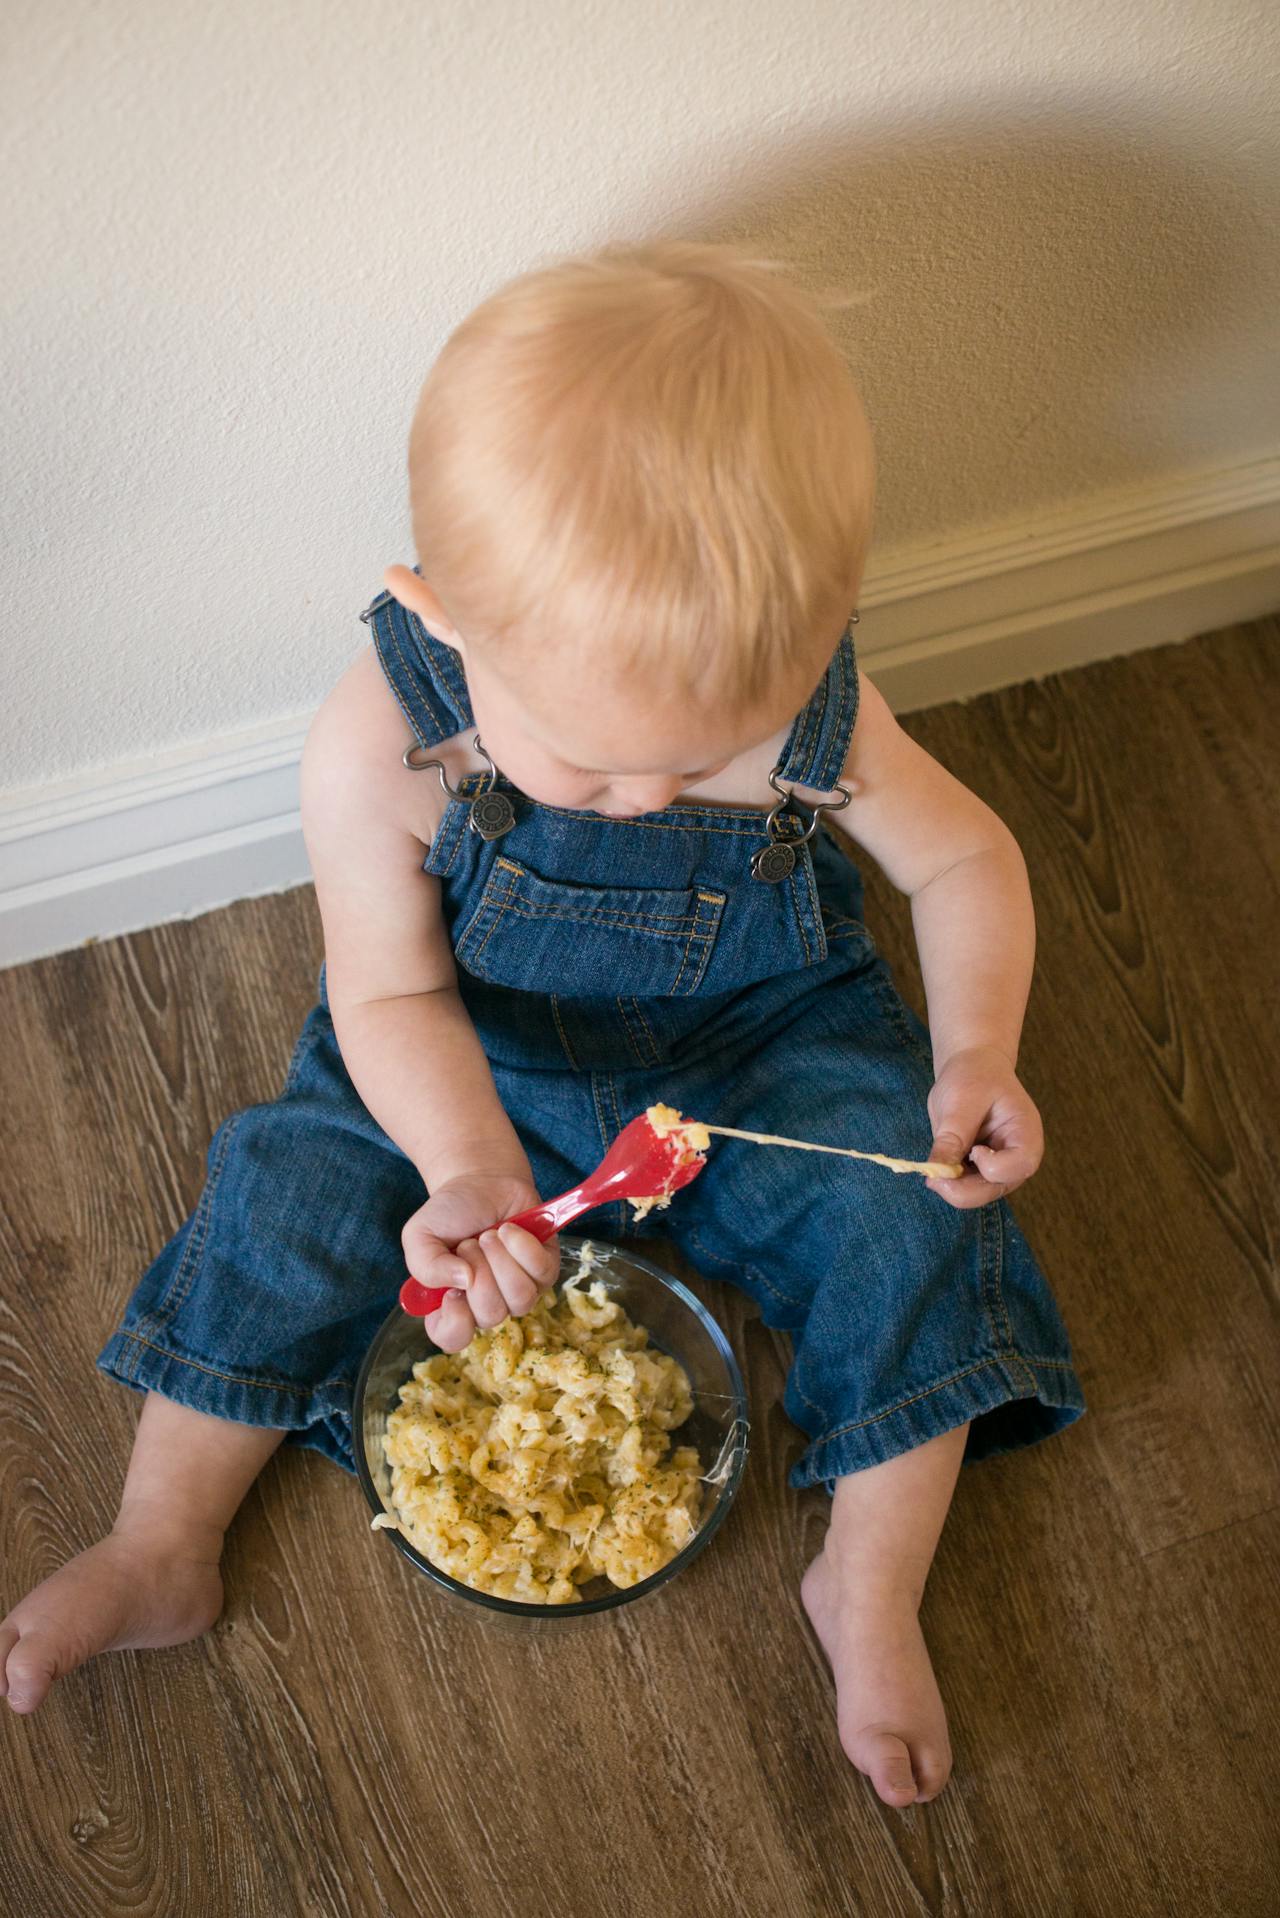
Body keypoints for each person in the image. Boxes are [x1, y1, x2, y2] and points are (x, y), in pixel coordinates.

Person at [0, 240, 1083, 1805]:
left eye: (702, 754)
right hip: (467, 1039)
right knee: (288, 1187)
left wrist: (976, 1052)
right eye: (587, 763)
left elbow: (967, 855)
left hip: (759, 1038)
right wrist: (462, 1163)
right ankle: (162, 1536)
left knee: (915, 1226)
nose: (647, 795)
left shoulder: (798, 706)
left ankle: (869, 1572)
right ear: (439, 622)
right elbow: (387, 989)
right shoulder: (382, 742)